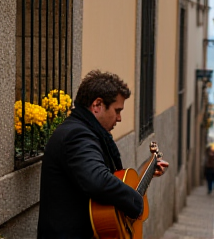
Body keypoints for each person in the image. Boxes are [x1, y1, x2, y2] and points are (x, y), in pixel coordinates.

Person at [37, 70, 169, 239]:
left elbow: (108, 180)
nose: (119, 118)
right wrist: (135, 202)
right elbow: (98, 180)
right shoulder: (77, 136)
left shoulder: (86, 132)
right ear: (97, 105)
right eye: (117, 110)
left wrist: (147, 169)